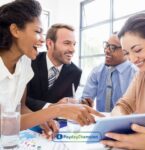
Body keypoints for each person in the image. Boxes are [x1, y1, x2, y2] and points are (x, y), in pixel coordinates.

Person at [0, 0, 102, 137]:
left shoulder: (24, 63)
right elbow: (3, 124)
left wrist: (42, 120)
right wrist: (56, 110)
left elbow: (21, 107)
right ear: (15, 30)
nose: (42, 40)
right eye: (37, 32)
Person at [101, 13, 145, 150]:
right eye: (127, 53)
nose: (133, 60)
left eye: (137, 50)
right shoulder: (142, 74)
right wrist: (117, 123)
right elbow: (124, 104)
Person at [26, 23, 82, 111]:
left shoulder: (75, 72)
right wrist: (52, 107)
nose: (72, 49)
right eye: (67, 43)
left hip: (57, 123)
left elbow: (67, 105)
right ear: (50, 43)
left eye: (74, 44)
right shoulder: (29, 62)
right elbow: (21, 100)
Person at [81, 33, 137, 112]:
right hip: (100, 122)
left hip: (129, 122)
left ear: (125, 51)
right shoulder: (97, 71)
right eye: (107, 46)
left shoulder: (136, 73)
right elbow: (85, 100)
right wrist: (84, 103)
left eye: (112, 48)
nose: (107, 50)